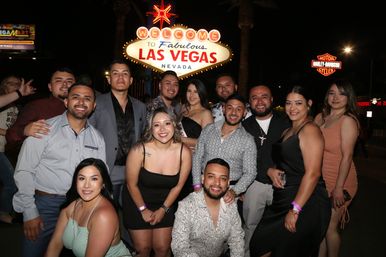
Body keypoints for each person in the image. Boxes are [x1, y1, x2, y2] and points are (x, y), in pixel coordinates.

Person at [13, 82, 106, 257]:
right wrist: (29, 212)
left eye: (87, 98)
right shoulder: (42, 129)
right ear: (66, 102)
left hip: (80, 206)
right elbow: (24, 171)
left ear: (93, 106)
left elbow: (100, 176)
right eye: (75, 97)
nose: (81, 102)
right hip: (45, 206)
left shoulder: (97, 138)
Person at [250, 85, 330, 257]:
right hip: (283, 198)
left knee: (288, 251)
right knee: (259, 244)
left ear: (308, 104)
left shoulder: (310, 130)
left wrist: (295, 210)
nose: (292, 108)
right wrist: (271, 170)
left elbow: (313, 173)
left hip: (305, 201)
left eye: (298, 103)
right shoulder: (288, 130)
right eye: (288, 103)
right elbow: (288, 162)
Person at [122, 107, 191, 257]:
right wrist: (143, 210)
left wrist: (163, 209)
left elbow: (178, 186)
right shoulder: (139, 150)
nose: (162, 129)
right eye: (156, 124)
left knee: (162, 249)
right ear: (150, 128)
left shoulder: (183, 152)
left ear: (174, 125)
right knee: (143, 249)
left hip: (165, 203)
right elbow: (130, 184)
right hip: (137, 202)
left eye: (167, 123)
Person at [45, 158, 132, 257]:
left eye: (94, 179)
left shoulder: (104, 216)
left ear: (103, 183)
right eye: (82, 178)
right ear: (75, 181)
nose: (87, 185)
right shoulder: (71, 206)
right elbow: (54, 245)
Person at [242, 85, 291, 257]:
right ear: (249, 102)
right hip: (255, 183)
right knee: (250, 225)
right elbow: (244, 158)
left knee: (282, 226)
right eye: (254, 97)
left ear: (271, 100)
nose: (260, 101)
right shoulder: (244, 126)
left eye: (264, 96)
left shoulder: (286, 121)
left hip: (283, 183)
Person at [89, 59, 147, 204]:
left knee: (131, 215)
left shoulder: (140, 107)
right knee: (107, 213)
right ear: (109, 79)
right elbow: (88, 135)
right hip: (107, 169)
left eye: (125, 74)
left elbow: (144, 136)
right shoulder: (96, 103)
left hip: (133, 170)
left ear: (131, 80)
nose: (120, 78)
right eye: (116, 73)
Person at [315, 79, 359, 257]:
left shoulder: (347, 121)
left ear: (349, 98)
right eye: (332, 93)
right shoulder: (320, 118)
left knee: (330, 228)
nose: (336, 97)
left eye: (342, 93)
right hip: (320, 181)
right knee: (321, 228)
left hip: (341, 181)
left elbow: (347, 156)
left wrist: (339, 188)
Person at [171, 158, 244, 257]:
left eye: (223, 178)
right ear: (202, 179)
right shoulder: (186, 206)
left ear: (228, 183)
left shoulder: (230, 205)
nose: (217, 183)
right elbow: (180, 247)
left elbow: (237, 240)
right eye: (211, 177)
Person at [192, 93, 257, 205]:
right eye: (230, 108)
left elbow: (250, 172)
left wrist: (234, 191)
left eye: (238, 109)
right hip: (203, 188)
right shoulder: (208, 130)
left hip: (228, 193)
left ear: (244, 113)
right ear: (223, 109)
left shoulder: (248, 140)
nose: (233, 113)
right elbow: (197, 157)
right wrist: (197, 185)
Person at [5, 67, 75, 165]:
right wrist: (24, 130)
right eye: (59, 81)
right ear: (50, 87)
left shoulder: (82, 109)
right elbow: (11, 135)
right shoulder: (37, 106)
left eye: (69, 81)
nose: (65, 85)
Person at [0, 75, 23, 224]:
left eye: (17, 83)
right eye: (11, 83)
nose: (15, 86)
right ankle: (2, 212)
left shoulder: (15, 107)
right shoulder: (2, 102)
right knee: (12, 182)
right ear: (4, 85)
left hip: (4, 149)